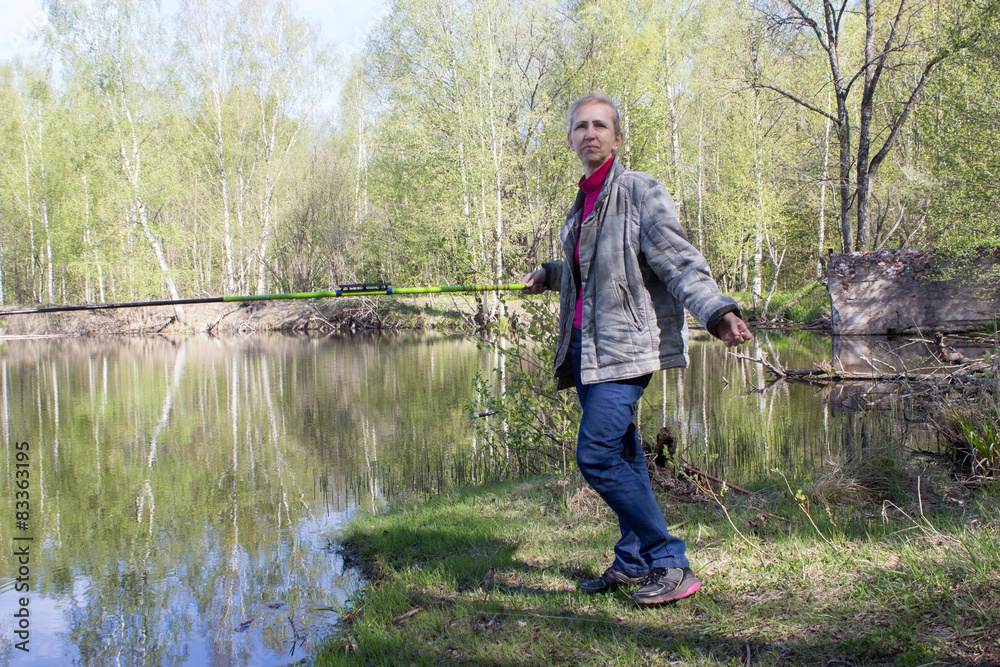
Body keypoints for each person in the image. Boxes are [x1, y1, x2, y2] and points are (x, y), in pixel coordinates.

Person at [522, 93, 753, 606]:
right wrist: (551, 274)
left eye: (600, 126)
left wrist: (717, 311)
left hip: (626, 349)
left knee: (597, 453)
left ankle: (670, 561)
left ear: (618, 138)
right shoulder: (583, 200)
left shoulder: (639, 191)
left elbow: (677, 261)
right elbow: (599, 272)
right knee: (624, 455)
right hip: (585, 348)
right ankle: (632, 562)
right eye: (580, 127)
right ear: (570, 140)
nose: (590, 134)